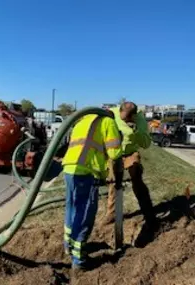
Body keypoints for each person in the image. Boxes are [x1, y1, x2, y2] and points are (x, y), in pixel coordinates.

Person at [61, 111, 123, 270]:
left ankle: (68, 245)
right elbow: (114, 153)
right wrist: (119, 139)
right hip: (86, 171)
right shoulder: (108, 122)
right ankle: (79, 260)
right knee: (85, 212)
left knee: (72, 207)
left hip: (69, 169)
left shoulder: (83, 120)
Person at [103, 102, 159, 246]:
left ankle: (149, 216)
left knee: (137, 179)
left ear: (133, 117)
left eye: (127, 120)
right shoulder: (111, 113)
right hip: (114, 153)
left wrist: (136, 133)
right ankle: (111, 215)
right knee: (113, 183)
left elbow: (146, 144)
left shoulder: (140, 120)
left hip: (130, 153)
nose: (124, 122)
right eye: (122, 119)